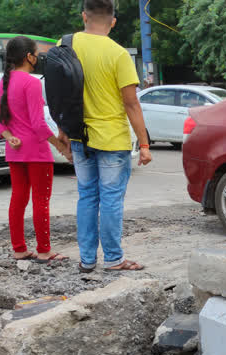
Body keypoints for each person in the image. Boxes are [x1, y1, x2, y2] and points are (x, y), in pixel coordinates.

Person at [58, 0, 152, 273]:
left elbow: (58, 93)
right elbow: (131, 104)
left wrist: (62, 129)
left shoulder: (65, 45)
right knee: (110, 199)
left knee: (87, 197)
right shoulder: (118, 54)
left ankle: (87, 260)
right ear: (113, 21)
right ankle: (113, 258)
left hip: (78, 135)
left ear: (84, 16)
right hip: (111, 138)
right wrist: (144, 144)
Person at [0, 36, 71, 263]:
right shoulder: (32, 83)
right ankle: (44, 250)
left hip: (15, 152)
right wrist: (61, 148)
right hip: (37, 153)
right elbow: (38, 124)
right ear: (28, 56)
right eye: (36, 53)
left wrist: (9, 137)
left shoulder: (2, 83)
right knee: (40, 201)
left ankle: (19, 248)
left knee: (18, 199)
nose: (38, 57)